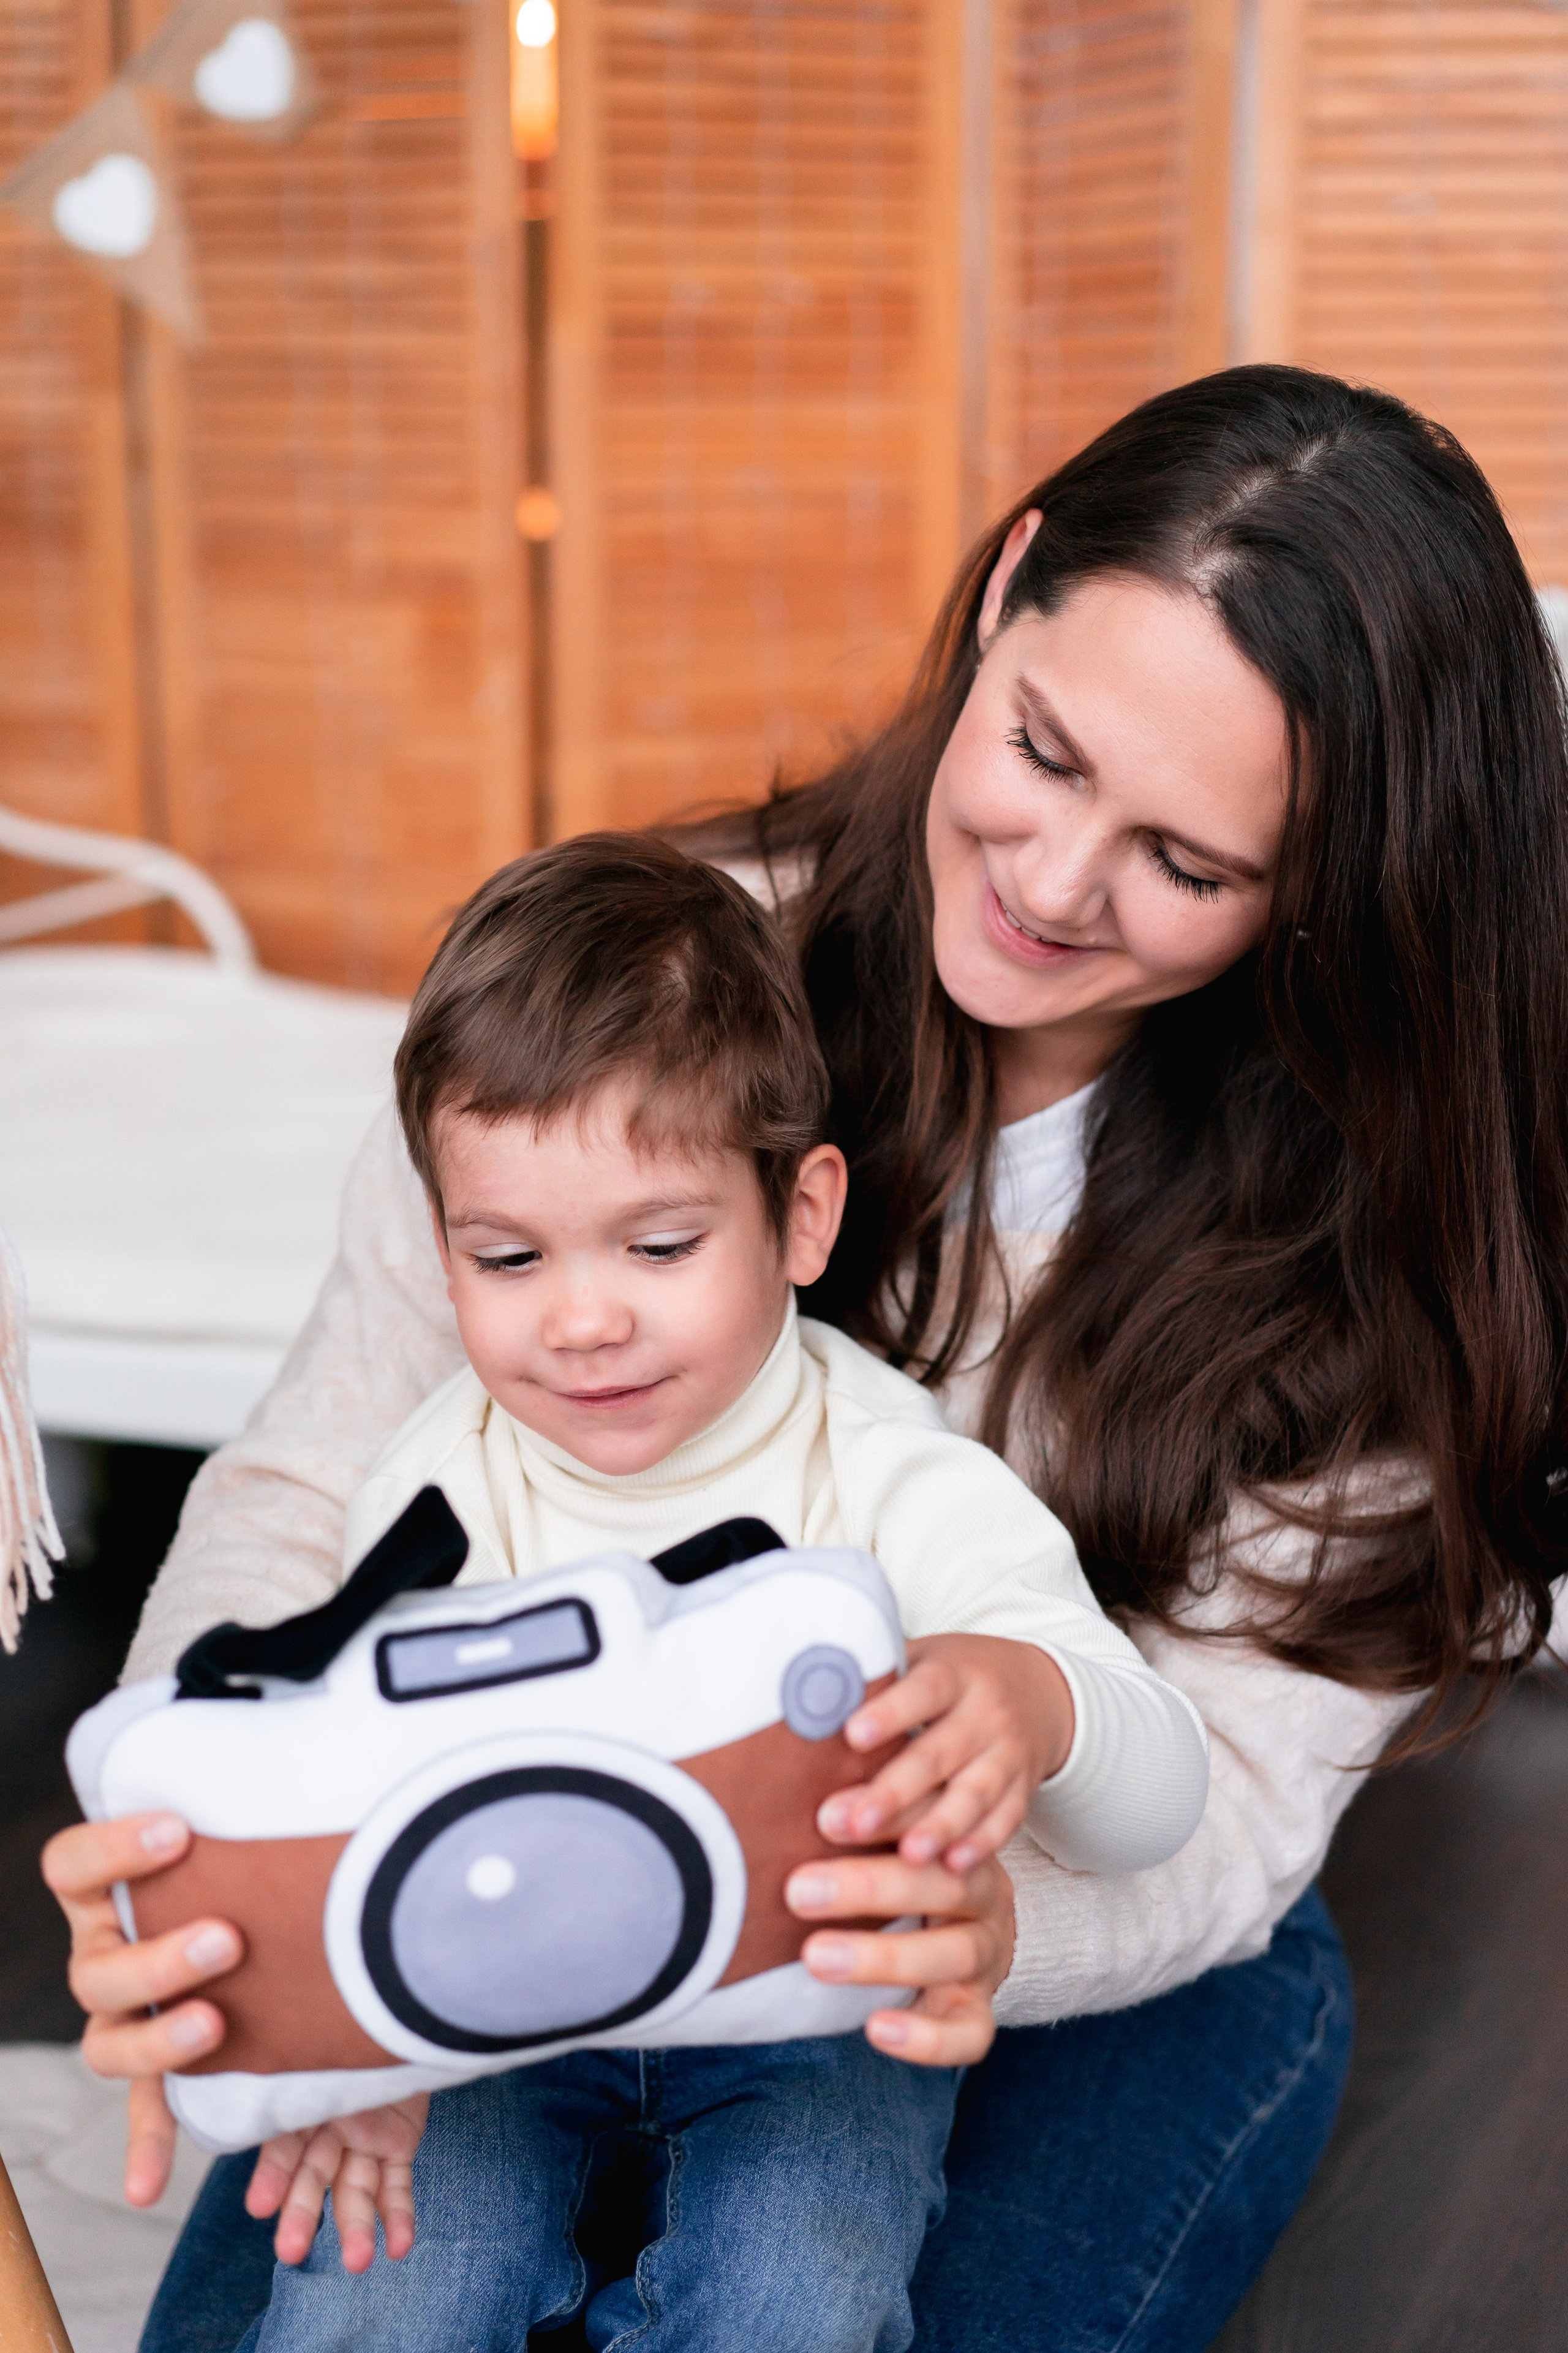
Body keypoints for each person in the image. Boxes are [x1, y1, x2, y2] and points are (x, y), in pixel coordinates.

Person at [45, 363, 1568, 2353]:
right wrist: (200, 1853)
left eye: (1184, 866)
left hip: (1056, 1941)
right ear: (1010, 583)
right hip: (527, 1835)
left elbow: (1223, 1800)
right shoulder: (635, 1002)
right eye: (1041, 748)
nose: (1047, 883)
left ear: (1325, 896)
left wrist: (997, 1905)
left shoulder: (1369, 1250)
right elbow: (316, 1488)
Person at [222, 834, 1207, 2347]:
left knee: (796, 2282)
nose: (584, 1316)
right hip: (495, 2010)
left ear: (801, 1219)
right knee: (383, 2270)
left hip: (807, 2017)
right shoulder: (432, 1490)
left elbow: (1157, 1803)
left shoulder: (882, 1467)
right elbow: (343, 1799)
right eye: (507, 1257)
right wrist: (347, 2045)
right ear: (443, 1257)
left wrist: (1031, 1697)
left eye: (661, 1242)